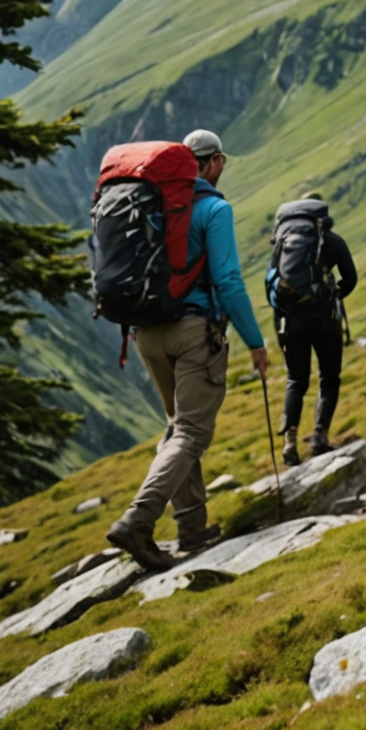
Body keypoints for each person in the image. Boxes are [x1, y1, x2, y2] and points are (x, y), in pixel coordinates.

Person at [107, 129, 269, 572]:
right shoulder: (214, 208)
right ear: (213, 162)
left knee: (177, 426)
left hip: (146, 333)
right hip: (193, 330)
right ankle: (138, 520)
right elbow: (229, 281)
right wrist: (255, 342)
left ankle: (192, 527)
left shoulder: (148, 202)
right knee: (192, 432)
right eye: (223, 162)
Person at [265, 191, 358, 465]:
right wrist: (333, 294)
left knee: (296, 379)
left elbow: (273, 281)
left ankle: (289, 443)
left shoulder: (282, 244)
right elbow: (350, 279)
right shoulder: (332, 241)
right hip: (325, 319)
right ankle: (319, 437)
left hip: (291, 321)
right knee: (329, 378)